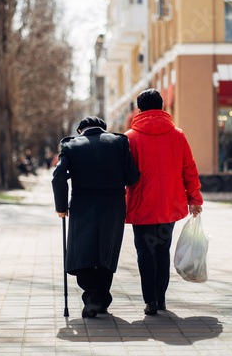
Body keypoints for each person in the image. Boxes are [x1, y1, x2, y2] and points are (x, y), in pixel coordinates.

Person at [52, 116, 140, 318]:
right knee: (107, 253)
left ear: (81, 130)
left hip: (83, 205)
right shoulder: (119, 142)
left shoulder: (71, 145)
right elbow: (131, 177)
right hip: (113, 205)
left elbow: (58, 176)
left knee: (80, 252)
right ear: (104, 130)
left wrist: (61, 207)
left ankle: (93, 297)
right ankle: (100, 299)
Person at [125, 89, 203, 316]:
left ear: (139, 110)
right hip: (170, 204)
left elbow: (126, 174)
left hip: (142, 206)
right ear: (162, 107)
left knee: (145, 252)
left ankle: (150, 300)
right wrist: (195, 199)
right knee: (162, 250)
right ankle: (161, 299)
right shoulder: (178, 135)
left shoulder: (130, 138)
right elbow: (189, 169)